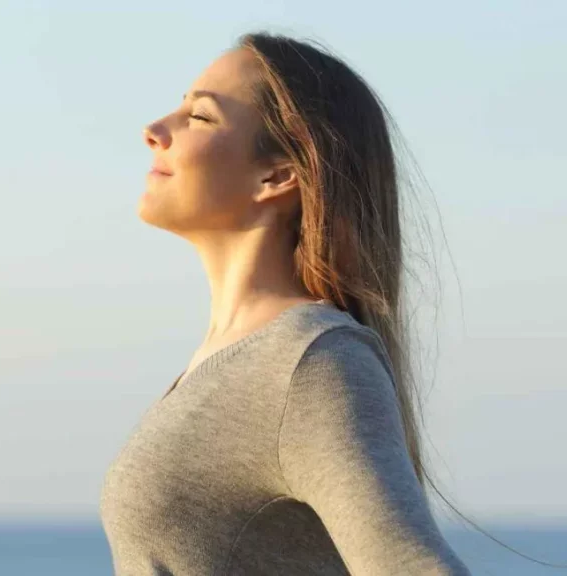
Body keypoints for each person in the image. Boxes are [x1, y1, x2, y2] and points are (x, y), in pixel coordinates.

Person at [99, 32, 472, 575]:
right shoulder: (235, 359)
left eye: (200, 117)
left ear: (279, 175)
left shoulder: (312, 361)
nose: (155, 131)